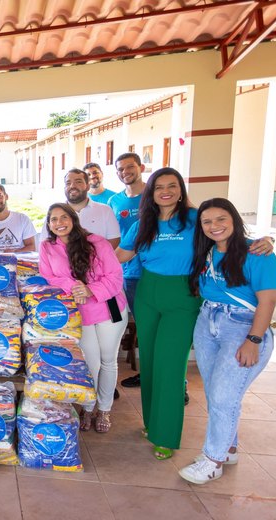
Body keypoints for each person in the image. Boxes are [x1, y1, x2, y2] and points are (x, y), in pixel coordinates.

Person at [115, 168, 273, 460]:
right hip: (148, 293)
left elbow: (223, 235)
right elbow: (119, 256)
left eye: (171, 186)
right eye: (159, 186)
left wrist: (260, 241)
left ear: (180, 189)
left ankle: (166, 435)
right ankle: (152, 424)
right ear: (150, 192)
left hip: (184, 294)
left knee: (170, 365)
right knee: (149, 361)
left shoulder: (193, 218)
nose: (165, 191)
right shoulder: (143, 223)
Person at [178, 198, 276, 484]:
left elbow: (268, 300)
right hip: (207, 320)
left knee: (224, 396)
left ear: (234, 219)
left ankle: (213, 460)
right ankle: (228, 447)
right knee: (215, 393)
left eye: (221, 219)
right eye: (207, 221)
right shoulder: (206, 252)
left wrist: (254, 339)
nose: (215, 226)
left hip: (242, 326)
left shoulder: (257, 253)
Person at [39, 203, 128, 434]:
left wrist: (90, 289)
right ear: (48, 225)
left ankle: (105, 409)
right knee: (91, 363)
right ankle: (88, 407)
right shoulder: (47, 247)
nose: (59, 223)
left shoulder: (96, 242)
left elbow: (115, 277)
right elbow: (48, 276)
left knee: (109, 360)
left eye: (64, 217)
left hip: (110, 307)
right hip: (81, 313)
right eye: (54, 219)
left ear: (73, 219)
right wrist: (74, 286)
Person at [107, 153, 146, 389]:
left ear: (141, 167)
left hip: (152, 273)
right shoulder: (115, 202)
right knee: (127, 322)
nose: (125, 172)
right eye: (120, 169)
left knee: (154, 326)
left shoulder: (154, 196)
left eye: (130, 167)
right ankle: (142, 372)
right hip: (123, 274)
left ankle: (174, 380)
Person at [39, 169, 120, 248]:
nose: (72, 186)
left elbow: (114, 240)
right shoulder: (54, 213)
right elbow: (45, 243)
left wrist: (93, 260)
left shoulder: (105, 210)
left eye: (78, 182)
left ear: (88, 186)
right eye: (68, 183)